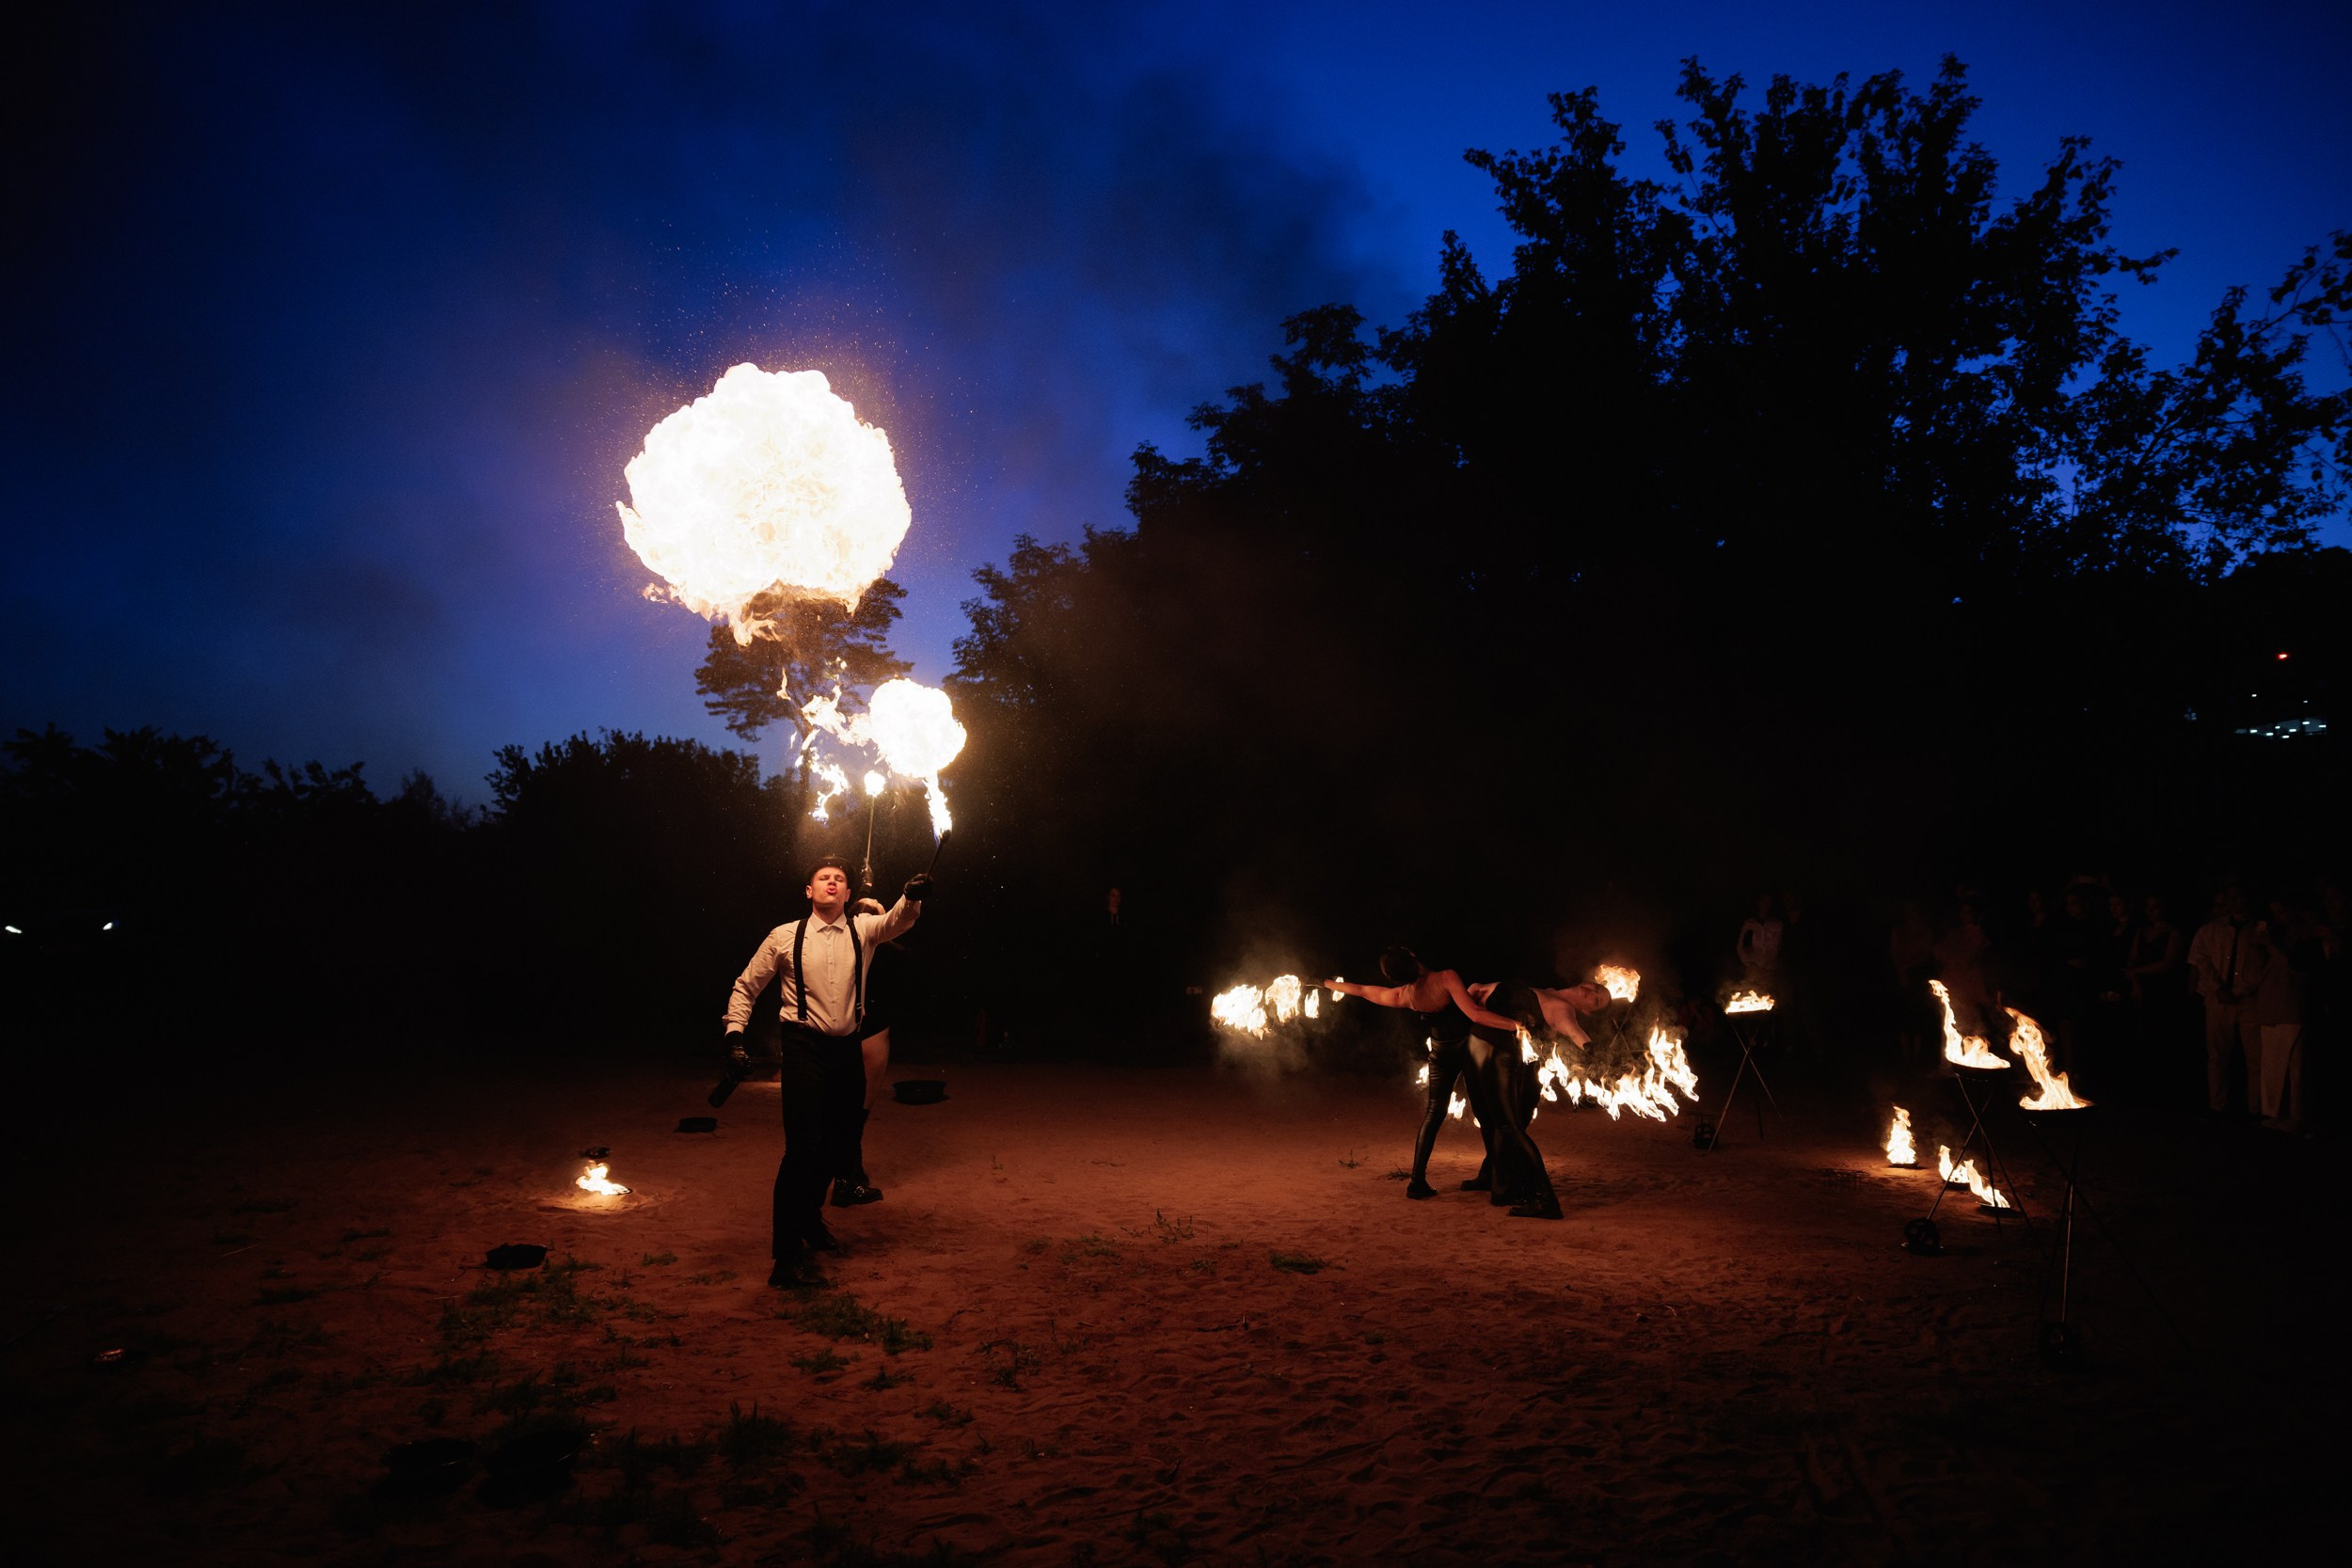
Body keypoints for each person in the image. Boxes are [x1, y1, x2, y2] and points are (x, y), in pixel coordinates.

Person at [723, 855, 930, 1285]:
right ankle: (786, 1259)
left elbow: (897, 921)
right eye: (823, 878)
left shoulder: (863, 930)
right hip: (804, 1049)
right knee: (802, 1150)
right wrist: (735, 1036)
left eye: (839, 879)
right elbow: (746, 986)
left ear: (849, 893)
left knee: (840, 1147)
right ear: (809, 890)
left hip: (846, 1050)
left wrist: (910, 897)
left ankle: (808, 1218)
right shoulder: (784, 936)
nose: (831, 882)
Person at [1330, 947, 1561, 1216]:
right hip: (1467, 1052)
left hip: (1440, 1054)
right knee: (1490, 1119)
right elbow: (1475, 1015)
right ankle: (1504, 1180)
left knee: (1434, 1114)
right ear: (1412, 955)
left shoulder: (1405, 994)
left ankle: (1418, 1181)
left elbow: (1362, 990)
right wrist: (1516, 1026)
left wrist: (1325, 983)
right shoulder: (1446, 978)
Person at [832, 897, 905, 1208]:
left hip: (854, 1029)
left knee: (847, 1108)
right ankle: (846, 1179)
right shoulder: (889, 950)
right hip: (865, 1031)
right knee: (856, 1110)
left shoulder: (838, 947)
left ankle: (850, 1172)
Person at [2187, 887, 2262, 1117]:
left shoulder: (2260, 929)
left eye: (2237, 897)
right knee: (2217, 1056)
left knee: (2255, 1059)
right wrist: (2217, 988)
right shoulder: (2211, 930)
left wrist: (2240, 989)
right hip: (2218, 1001)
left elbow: (2262, 965)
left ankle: (2256, 1107)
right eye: (2230, 898)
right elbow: (2200, 960)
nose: (2233, 902)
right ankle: (2218, 1105)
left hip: (2249, 1001)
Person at [1737, 894, 1783, 989]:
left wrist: (1768, 966)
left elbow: (1777, 948)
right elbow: (1741, 946)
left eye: (1769, 903)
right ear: (1758, 903)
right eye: (1764, 902)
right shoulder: (1750, 924)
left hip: (1769, 971)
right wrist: (1749, 963)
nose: (1766, 905)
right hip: (1751, 969)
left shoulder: (1777, 924)